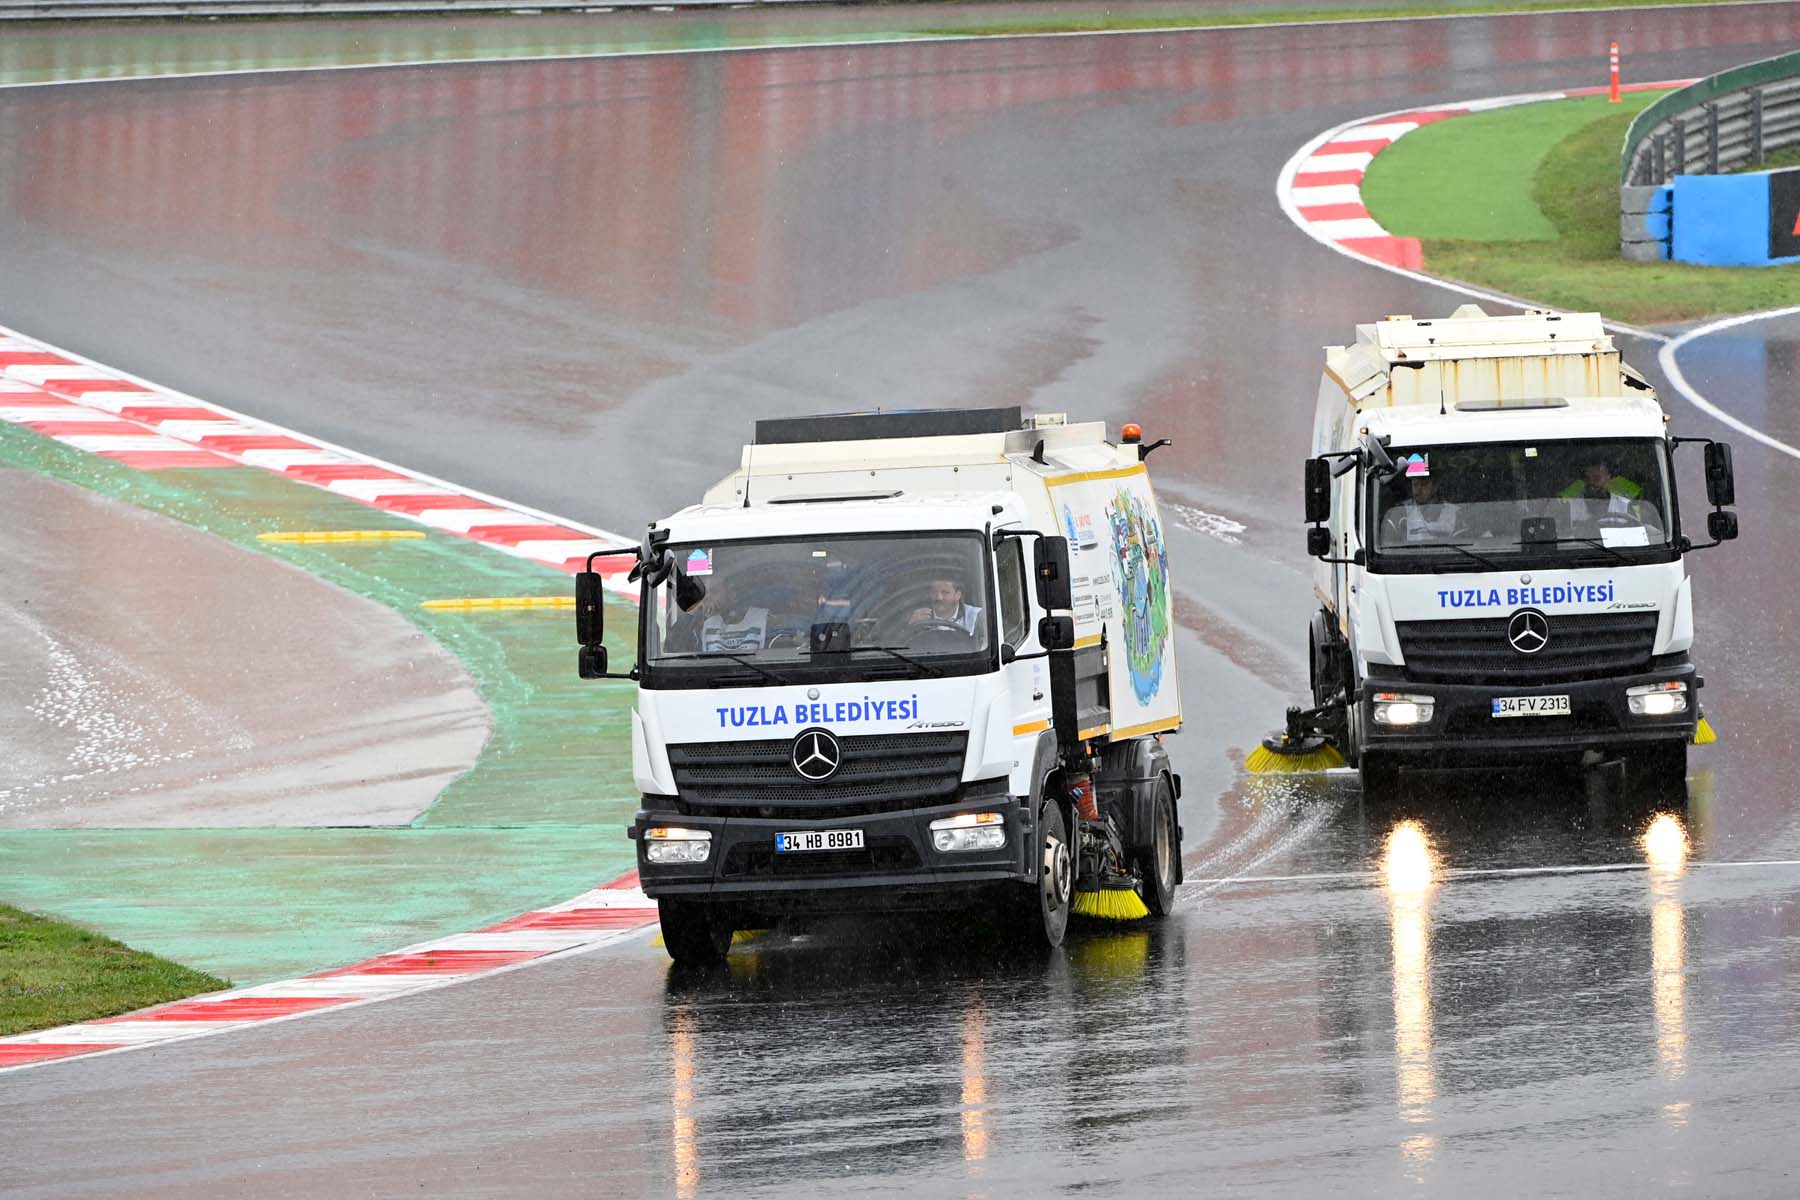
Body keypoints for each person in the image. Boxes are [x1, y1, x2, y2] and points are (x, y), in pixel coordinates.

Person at [1380, 472, 1462, 545]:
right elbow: (1389, 548)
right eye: (1415, 485)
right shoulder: (1400, 513)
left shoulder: (1455, 513)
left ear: (1435, 486)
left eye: (1424, 484)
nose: (1418, 490)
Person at [1559, 456, 1641, 522]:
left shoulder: (1624, 506)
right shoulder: (1571, 506)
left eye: (1596, 478)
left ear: (1608, 477)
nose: (1591, 483)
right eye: (1587, 478)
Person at [908, 575, 982, 635]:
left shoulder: (977, 616)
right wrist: (911, 627)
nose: (939, 597)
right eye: (934, 592)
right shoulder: (919, 617)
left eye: (945, 592)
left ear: (958, 595)